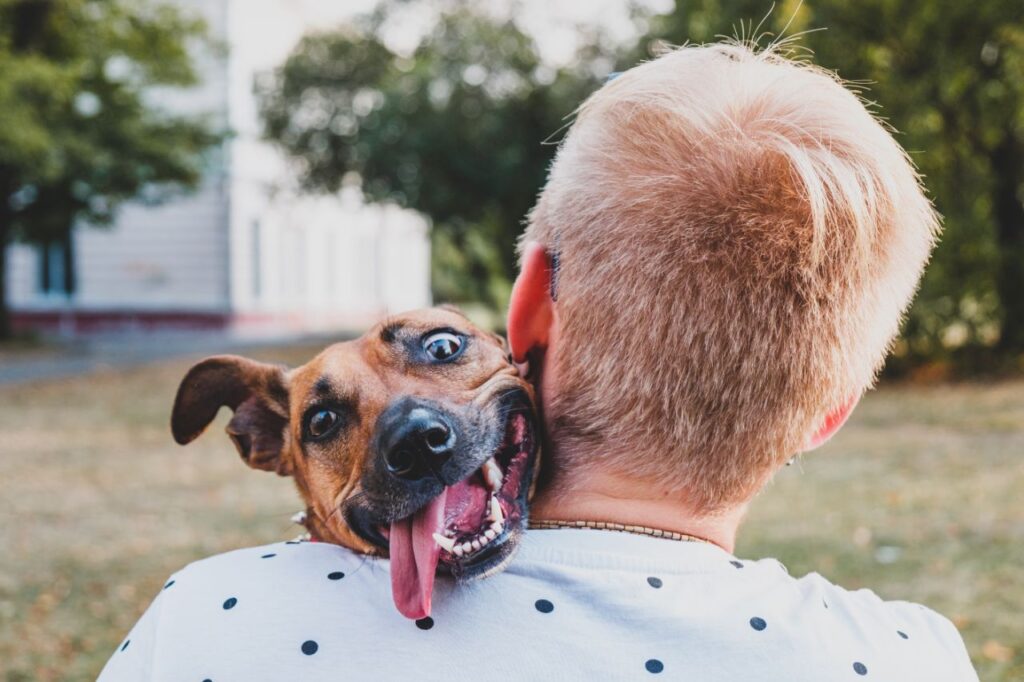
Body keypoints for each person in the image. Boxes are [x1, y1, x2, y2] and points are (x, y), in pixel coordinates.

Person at [97, 42, 978, 681]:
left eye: (441, 352)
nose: (410, 420)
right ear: (833, 410)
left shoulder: (207, 624)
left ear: (522, 314)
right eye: (328, 420)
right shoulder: (916, 657)